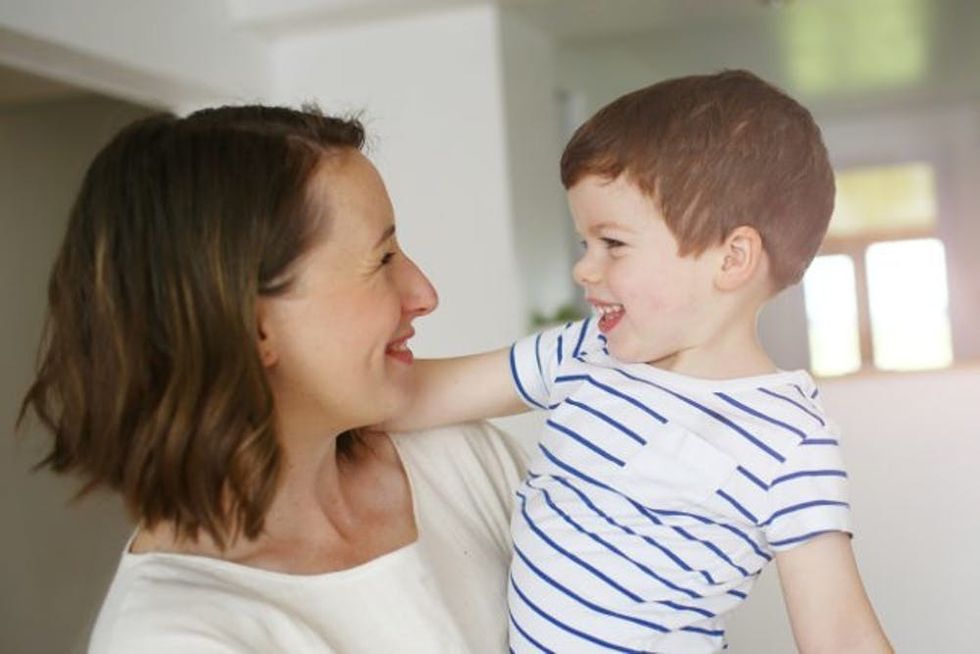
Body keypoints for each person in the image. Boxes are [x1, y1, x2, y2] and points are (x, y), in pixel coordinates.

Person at [386, 71, 893, 652]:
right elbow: (419, 395)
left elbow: (840, 633)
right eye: (586, 244)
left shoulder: (791, 438)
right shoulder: (582, 351)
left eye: (614, 244)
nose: (584, 268)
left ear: (732, 259)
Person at [18, 105, 525, 653]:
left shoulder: (460, 458)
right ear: (253, 325)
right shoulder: (175, 638)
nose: (424, 294)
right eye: (382, 259)